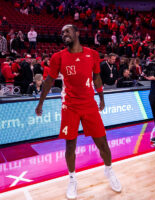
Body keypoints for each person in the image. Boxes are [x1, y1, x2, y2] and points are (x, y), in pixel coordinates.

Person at [35, 24, 121, 199]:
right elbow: (49, 81)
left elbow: (96, 77)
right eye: (61, 33)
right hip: (70, 106)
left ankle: (109, 170)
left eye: (67, 31)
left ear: (77, 33)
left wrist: (102, 97)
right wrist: (40, 103)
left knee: (102, 142)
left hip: (89, 103)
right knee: (70, 145)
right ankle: (72, 179)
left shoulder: (93, 54)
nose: (64, 34)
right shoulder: (58, 57)